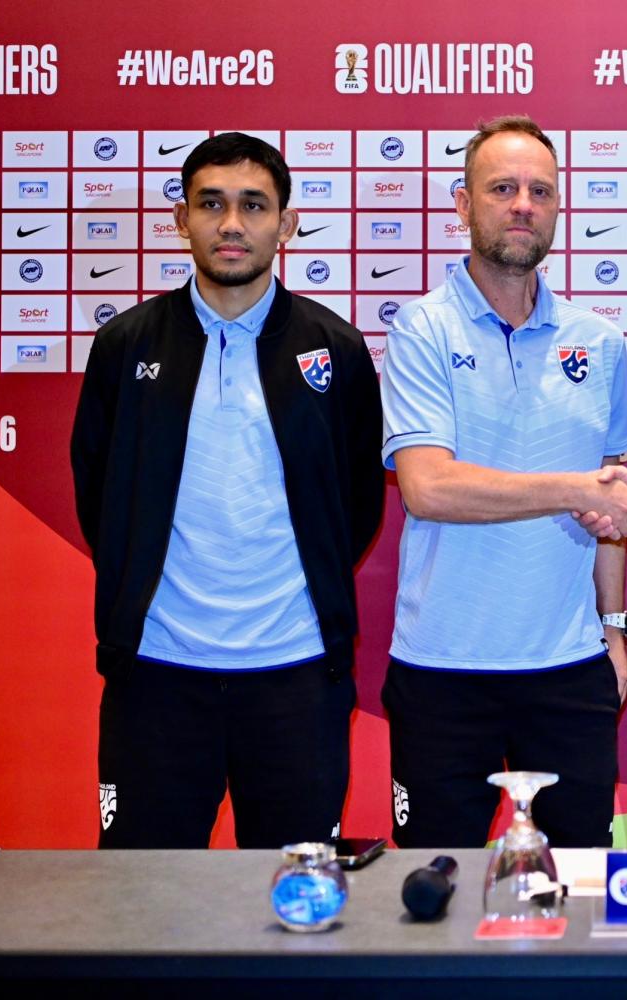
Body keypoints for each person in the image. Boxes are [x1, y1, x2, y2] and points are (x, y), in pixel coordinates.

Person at [70, 132, 384, 848]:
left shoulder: (334, 348)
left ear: (288, 223)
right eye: (211, 204)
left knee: (295, 910)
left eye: (253, 205)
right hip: (157, 675)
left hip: (296, 678)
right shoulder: (125, 346)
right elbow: (101, 494)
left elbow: (356, 500)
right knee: (140, 905)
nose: (232, 224)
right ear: (182, 219)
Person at [379, 115, 627, 848]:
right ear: (465, 205)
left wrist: (614, 630)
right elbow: (429, 488)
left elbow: (607, 514)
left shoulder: (598, 343)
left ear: (560, 205)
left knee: (580, 894)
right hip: (442, 669)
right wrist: (574, 489)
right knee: (435, 898)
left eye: (539, 190)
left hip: (569, 671)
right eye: (502, 188)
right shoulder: (420, 329)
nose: (522, 205)